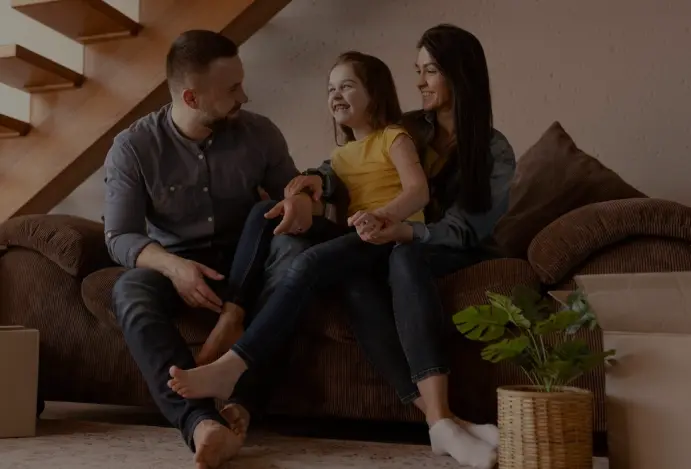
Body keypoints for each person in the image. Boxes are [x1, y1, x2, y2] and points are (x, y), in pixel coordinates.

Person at [289, 24, 515, 469]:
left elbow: (464, 231)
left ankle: (443, 420)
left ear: (459, 75)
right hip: (392, 243)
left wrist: (404, 232)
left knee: (406, 255)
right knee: (355, 279)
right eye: (418, 71)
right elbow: (351, 159)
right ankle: (443, 422)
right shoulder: (407, 128)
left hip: (453, 251)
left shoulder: (495, 150)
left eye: (430, 71)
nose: (419, 82)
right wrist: (313, 180)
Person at [165, 50, 429, 415]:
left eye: (347, 86)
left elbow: (418, 191)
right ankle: (232, 314)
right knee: (265, 212)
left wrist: (382, 216)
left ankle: (232, 367)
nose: (336, 95)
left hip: (390, 237)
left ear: (376, 93)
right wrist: (299, 197)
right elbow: (324, 197)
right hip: (356, 236)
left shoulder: (394, 138)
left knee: (307, 263)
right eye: (330, 89)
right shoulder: (340, 157)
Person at [104, 30, 321, 469]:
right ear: (191, 96)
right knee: (129, 290)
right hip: (178, 263)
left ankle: (242, 405)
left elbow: (295, 196)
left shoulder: (260, 133)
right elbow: (120, 236)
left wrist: (302, 200)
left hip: (249, 259)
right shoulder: (134, 147)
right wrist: (173, 267)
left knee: (293, 257)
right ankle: (201, 422)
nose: (245, 96)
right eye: (232, 88)